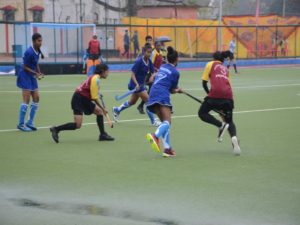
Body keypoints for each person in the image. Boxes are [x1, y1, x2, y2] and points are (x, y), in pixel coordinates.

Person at [50, 64, 114, 143]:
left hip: (84, 99)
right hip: (78, 99)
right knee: (78, 125)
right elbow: (94, 98)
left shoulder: (94, 77)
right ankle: (56, 129)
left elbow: (90, 89)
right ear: (103, 71)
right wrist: (103, 108)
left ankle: (103, 135)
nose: (108, 73)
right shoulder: (95, 79)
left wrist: (98, 95)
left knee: (99, 112)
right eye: (107, 71)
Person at [198, 51, 241, 155]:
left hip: (215, 95)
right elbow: (227, 84)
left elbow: (204, 83)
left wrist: (209, 95)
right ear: (222, 60)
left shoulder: (210, 64)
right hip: (228, 97)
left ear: (213, 58)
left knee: (202, 113)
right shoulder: (225, 69)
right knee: (229, 121)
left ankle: (220, 125)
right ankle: (234, 140)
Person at [146, 46, 182, 157]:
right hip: (162, 94)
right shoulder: (176, 72)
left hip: (152, 93)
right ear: (176, 60)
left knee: (164, 123)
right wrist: (178, 90)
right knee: (168, 122)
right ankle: (155, 136)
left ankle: (167, 149)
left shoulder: (162, 66)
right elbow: (171, 90)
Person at [112, 43, 160, 126]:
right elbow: (132, 74)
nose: (150, 54)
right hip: (135, 85)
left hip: (141, 85)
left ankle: (117, 110)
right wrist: (137, 84)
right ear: (144, 52)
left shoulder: (149, 62)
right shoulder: (139, 61)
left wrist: (154, 75)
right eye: (148, 52)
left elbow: (153, 72)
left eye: (151, 52)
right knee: (148, 101)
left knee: (132, 102)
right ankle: (153, 121)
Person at [16, 33, 44, 131]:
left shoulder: (38, 51)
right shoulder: (29, 52)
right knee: (26, 100)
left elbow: (35, 63)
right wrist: (35, 73)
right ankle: (21, 124)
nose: (40, 42)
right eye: (38, 41)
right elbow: (24, 66)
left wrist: (39, 72)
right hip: (25, 76)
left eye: (41, 40)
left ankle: (30, 122)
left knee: (36, 98)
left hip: (32, 76)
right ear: (34, 41)